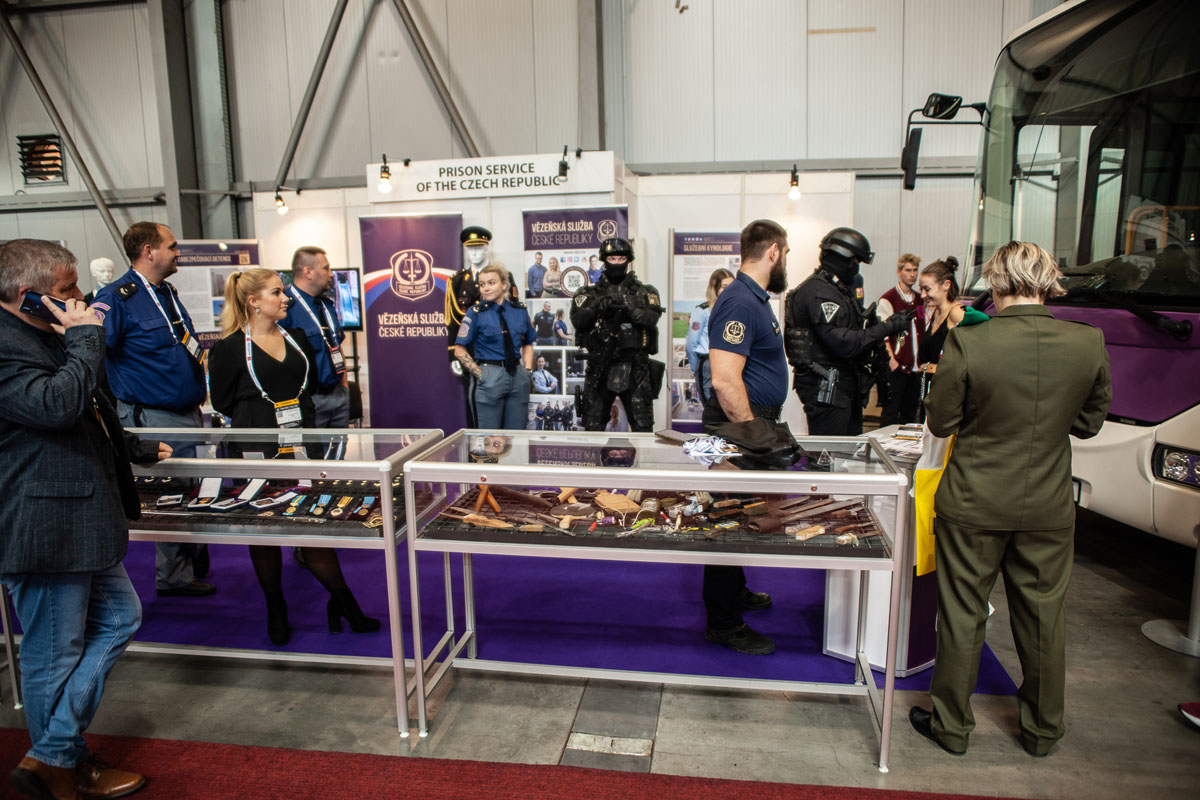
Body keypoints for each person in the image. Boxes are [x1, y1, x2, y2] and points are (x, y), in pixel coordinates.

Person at [909, 241, 1111, 758]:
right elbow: (1088, 424)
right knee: (1044, 620)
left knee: (963, 614)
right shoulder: (1087, 341)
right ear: (1049, 281)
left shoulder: (972, 340)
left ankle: (952, 727)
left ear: (996, 283)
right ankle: (1042, 731)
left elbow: (941, 421)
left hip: (973, 500)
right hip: (1048, 502)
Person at [0, 238, 169, 800]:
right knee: (54, 653)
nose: (80, 296)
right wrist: (85, 339)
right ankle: (62, 766)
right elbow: (53, 405)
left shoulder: (47, 332)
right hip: (42, 523)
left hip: (80, 517)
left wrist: (132, 447)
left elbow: (88, 407)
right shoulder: (10, 343)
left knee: (120, 619)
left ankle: (52, 756)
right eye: (66, 287)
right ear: (27, 295)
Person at [207, 269, 380, 647]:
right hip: (255, 450)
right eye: (276, 292)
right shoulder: (230, 348)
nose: (285, 298)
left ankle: (345, 603)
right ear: (254, 301)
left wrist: (313, 445)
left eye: (283, 291)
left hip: (301, 446)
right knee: (263, 531)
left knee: (310, 525)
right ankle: (276, 608)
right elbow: (222, 401)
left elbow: (307, 392)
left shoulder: (296, 338)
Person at [92, 221, 215, 598]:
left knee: (192, 488)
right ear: (149, 252)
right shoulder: (117, 298)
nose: (178, 253)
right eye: (172, 246)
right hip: (154, 414)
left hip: (188, 411)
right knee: (172, 493)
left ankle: (189, 557)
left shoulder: (166, 293)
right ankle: (174, 576)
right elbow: (93, 356)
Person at [699, 220, 794, 656]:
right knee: (727, 519)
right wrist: (755, 434)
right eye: (786, 254)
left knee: (739, 512)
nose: (785, 261)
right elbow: (724, 380)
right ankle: (722, 623)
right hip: (736, 427)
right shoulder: (739, 300)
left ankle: (733, 591)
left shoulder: (753, 298)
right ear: (773, 251)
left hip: (747, 425)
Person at [783, 227, 913, 435]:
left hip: (842, 389)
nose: (856, 269)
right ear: (843, 259)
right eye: (855, 262)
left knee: (848, 451)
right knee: (831, 452)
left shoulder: (836, 290)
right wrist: (887, 327)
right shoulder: (820, 293)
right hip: (828, 390)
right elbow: (842, 343)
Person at [570, 237, 665, 432]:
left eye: (621, 259)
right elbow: (578, 321)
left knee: (642, 427)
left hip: (636, 368)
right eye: (612, 259)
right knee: (593, 426)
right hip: (600, 365)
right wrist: (596, 307)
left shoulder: (645, 292)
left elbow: (652, 317)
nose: (616, 263)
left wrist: (631, 309)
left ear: (628, 260)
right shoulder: (588, 294)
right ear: (604, 260)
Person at [446, 227, 520, 426]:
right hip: (470, 353)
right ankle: (478, 444)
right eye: (471, 248)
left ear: (487, 248)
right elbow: (452, 320)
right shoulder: (456, 281)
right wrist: (453, 353)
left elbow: (513, 315)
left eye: (479, 247)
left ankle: (502, 445)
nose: (475, 252)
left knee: (503, 404)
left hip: (498, 353)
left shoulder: (505, 278)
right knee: (474, 400)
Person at [454, 265, 535, 429]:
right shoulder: (475, 313)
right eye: (482, 284)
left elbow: (528, 343)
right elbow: (459, 350)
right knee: (488, 437)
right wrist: (480, 375)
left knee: (516, 436)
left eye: (491, 283)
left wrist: (527, 371)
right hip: (489, 375)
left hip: (517, 376)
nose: (486, 288)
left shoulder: (519, 311)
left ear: (504, 284)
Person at [281, 246, 350, 429]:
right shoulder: (285, 307)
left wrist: (344, 386)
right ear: (308, 272)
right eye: (326, 268)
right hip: (309, 399)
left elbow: (336, 344)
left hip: (338, 395)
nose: (331, 274)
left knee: (339, 446)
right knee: (314, 448)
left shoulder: (326, 304)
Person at [877, 253, 923, 426]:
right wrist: (892, 361)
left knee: (910, 412)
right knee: (891, 411)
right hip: (897, 364)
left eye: (915, 270)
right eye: (908, 270)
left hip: (915, 365)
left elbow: (921, 326)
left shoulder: (919, 299)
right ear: (899, 272)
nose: (912, 274)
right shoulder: (888, 299)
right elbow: (882, 333)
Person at [915, 256, 966, 409]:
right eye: (921, 289)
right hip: (930, 391)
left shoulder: (957, 312)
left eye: (927, 289)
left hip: (947, 395)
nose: (922, 295)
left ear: (946, 285)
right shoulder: (936, 313)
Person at [685, 268, 735, 406]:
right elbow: (691, 343)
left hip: (729, 363)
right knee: (709, 405)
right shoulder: (703, 310)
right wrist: (696, 368)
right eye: (724, 286)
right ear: (714, 288)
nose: (728, 290)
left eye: (731, 286)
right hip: (707, 363)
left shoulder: (734, 309)